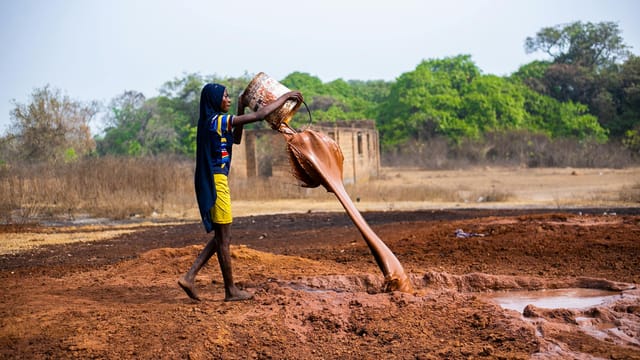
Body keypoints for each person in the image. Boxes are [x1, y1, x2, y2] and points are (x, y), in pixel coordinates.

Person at [178, 83, 303, 301]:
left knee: (221, 236)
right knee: (223, 238)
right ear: (215, 100)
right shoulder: (216, 121)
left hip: (217, 180)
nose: (227, 99)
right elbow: (262, 114)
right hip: (216, 182)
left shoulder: (213, 122)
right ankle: (230, 290)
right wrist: (286, 97)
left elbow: (236, 139)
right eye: (225, 97)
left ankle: (190, 277)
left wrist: (240, 105)